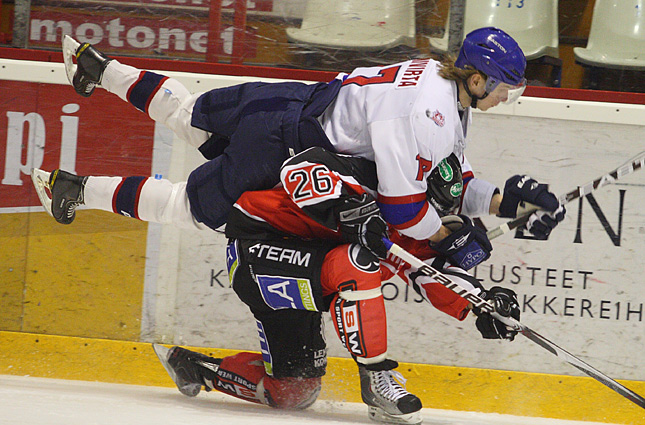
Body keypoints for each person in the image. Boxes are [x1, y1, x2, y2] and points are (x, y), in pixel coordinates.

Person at [32, 27, 565, 250]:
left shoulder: (436, 79)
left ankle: (96, 67)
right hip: (286, 145)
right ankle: (75, 190)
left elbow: (446, 176)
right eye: (504, 91)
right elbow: (405, 209)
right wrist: (447, 237)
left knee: (190, 110)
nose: (504, 100)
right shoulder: (429, 115)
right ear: (477, 80)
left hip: (295, 100)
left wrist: (502, 201)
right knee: (190, 206)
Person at [153, 147, 522, 425]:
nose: (428, 221)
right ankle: (376, 379)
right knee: (357, 263)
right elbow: (298, 168)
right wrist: (349, 207)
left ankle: (194, 368)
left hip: (310, 271)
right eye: (426, 207)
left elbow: (428, 271)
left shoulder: (413, 222)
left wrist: (480, 302)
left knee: (294, 392)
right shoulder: (364, 172)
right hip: (258, 249)